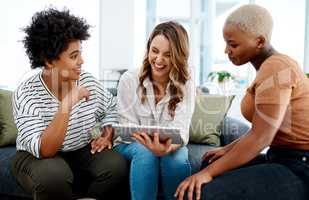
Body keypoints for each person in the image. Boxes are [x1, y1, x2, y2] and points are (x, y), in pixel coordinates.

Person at [175, 4, 309, 200]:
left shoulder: (277, 68)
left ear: (259, 41)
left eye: (233, 44)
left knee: (202, 192)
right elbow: (261, 130)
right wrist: (225, 150)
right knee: (210, 162)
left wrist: (206, 175)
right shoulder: (268, 68)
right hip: (280, 156)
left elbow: (261, 137)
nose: (226, 50)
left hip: (300, 166)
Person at [11, 8, 128, 200]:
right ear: (49, 61)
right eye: (74, 56)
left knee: (116, 165)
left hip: (81, 150)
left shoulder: (87, 81)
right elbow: (45, 149)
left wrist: (107, 133)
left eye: (80, 53)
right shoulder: (26, 93)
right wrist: (68, 102)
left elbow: (111, 108)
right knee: (53, 176)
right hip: (37, 156)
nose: (82, 61)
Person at [115, 21, 195, 200]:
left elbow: (181, 129)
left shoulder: (186, 83)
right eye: (155, 51)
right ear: (148, 49)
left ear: (179, 56)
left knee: (176, 160)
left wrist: (166, 149)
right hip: (131, 144)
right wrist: (151, 146)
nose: (158, 60)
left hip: (169, 144)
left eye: (168, 55)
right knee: (145, 154)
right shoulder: (129, 79)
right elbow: (127, 127)